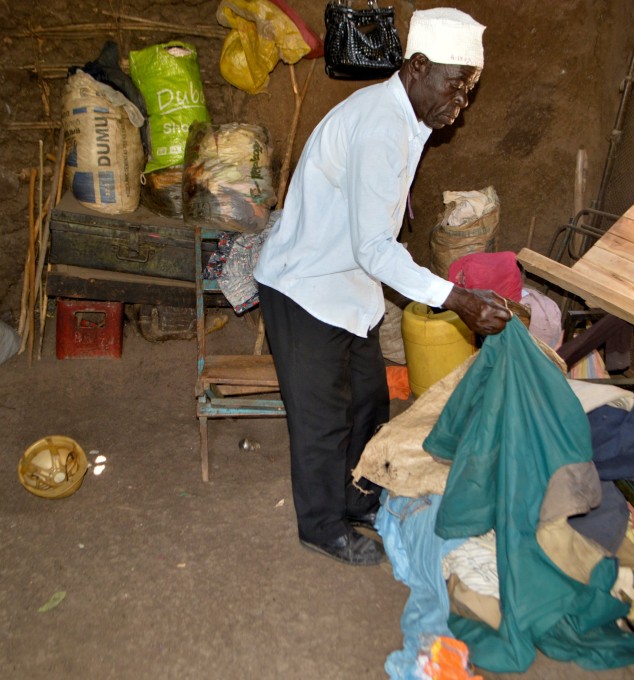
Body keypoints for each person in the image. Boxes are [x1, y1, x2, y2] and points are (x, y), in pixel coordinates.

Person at [253, 8, 512, 566]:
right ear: (417, 67)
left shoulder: (407, 121)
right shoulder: (381, 124)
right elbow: (373, 246)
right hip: (306, 289)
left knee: (369, 403)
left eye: (469, 90)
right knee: (323, 420)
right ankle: (322, 525)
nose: (460, 104)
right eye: (455, 85)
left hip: (350, 289)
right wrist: (458, 299)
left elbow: (370, 240)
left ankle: (357, 499)